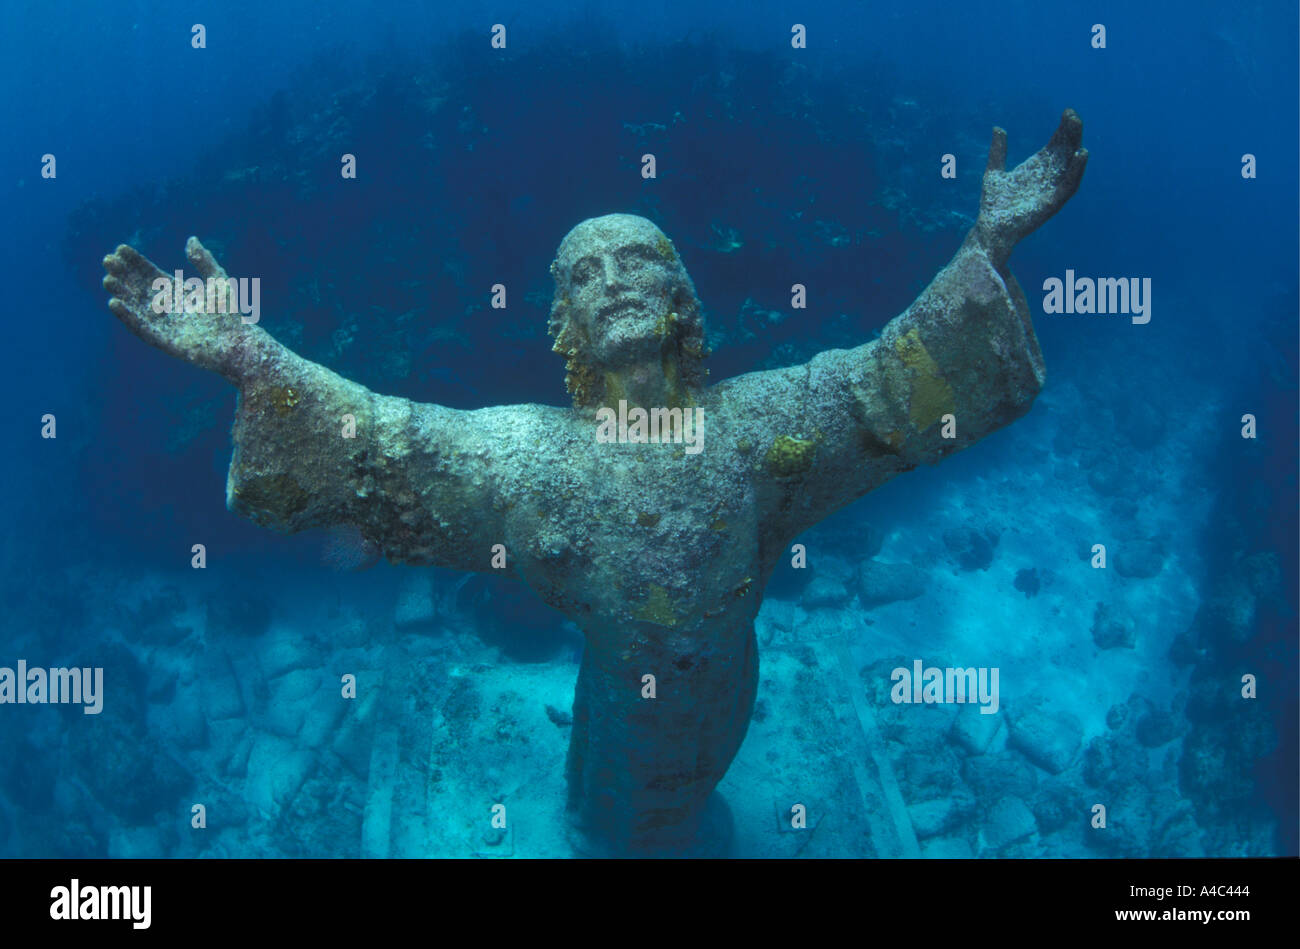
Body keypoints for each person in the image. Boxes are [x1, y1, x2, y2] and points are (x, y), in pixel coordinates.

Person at [102, 110, 1087, 856]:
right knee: (614, 822)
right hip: (625, 720)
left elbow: (885, 384)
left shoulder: (762, 426)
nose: (611, 279)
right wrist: (251, 359)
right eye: (584, 274)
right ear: (566, 324)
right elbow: (383, 445)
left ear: (679, 298)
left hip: (725, 691)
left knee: (700, 792)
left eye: (636, 261)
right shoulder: (535, 457)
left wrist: (984, 250)